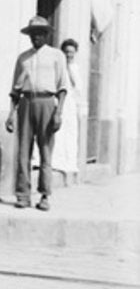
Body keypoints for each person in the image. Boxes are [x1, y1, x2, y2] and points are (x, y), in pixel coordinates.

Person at [5, 16, 67, 211]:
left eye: (39, 34)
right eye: (33, 34)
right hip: (25, 103)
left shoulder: (57, 56)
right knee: (23, 150)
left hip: (47, 103)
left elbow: (63, 87)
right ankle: (23, 195)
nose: (36, 38)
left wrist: (58, 113)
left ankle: (45, 195)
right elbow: (15, 90)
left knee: (45, 150)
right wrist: (10, 114)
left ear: (46, 35)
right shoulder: (23, 58)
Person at [53, 38, 84, 185]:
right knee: (58, 131)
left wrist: (70, 70)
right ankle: (56, 161)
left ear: (75, 53)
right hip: (59, 102)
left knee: (70, 132)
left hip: (70, 104)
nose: (68, 55)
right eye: (66, 52)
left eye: (71, 52)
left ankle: (68, 163)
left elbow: (78, 87)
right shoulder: (58, 66)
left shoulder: (75, 68)